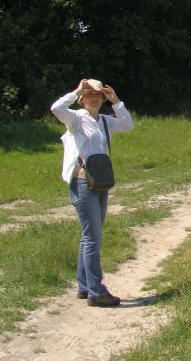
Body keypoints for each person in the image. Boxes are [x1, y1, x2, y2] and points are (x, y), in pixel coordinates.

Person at [50, 78, 134, 307]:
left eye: (98, 95)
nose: (94, 98)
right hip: (82, 182)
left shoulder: (105, 121)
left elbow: (127, 125)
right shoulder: (76, 119)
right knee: (92, 238)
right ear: (82, 99)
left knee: (90, 236)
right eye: (89, 95)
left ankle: (85, 286)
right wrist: (76, 89)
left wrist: (115, 100)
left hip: (100, 183)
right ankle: (96, 291)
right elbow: (56, 109)